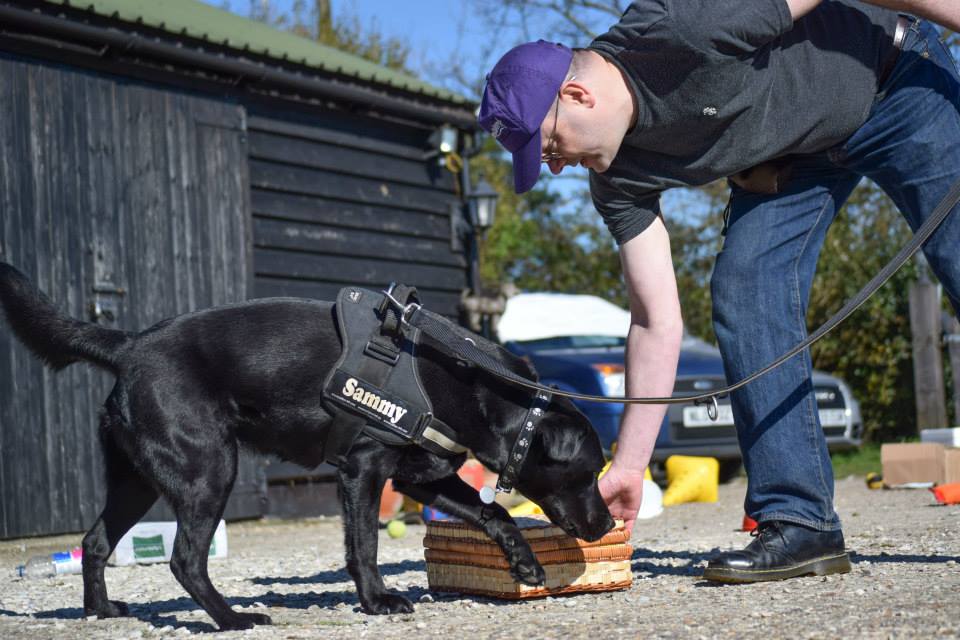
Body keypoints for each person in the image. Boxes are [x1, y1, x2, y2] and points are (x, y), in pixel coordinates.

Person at [478, 0, 960, 583]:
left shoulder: (685, 24)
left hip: (894, 82)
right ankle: (800, 521)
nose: (556, 168)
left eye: (551, 147)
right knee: (745, 287)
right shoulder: (618, 177)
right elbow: (656, 320)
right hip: (798, 151)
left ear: (578, 97)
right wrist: (630, 466)